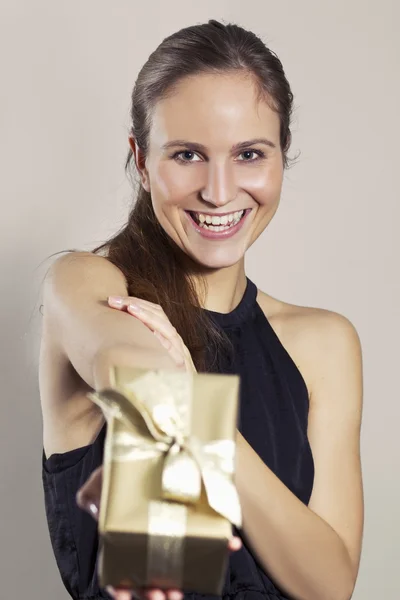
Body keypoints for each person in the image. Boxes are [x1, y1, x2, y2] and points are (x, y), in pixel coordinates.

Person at [40, 19, 364, 600]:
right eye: (188, 154)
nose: (219, 191)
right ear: (141, 160)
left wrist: (207, 435)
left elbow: (331, 584)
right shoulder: (82, 281)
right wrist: (172, 411)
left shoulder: (324, 342)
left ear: (281, 156)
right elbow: (131, 363)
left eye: (248, 154)